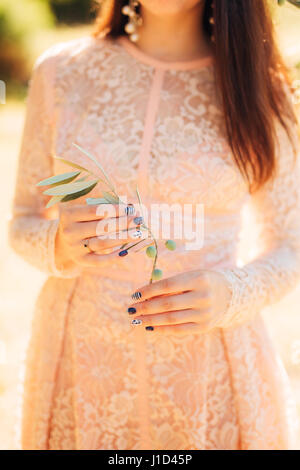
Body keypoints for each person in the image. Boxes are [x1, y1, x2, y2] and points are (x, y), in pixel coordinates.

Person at [9, 0, 300, 450]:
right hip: (82, 360)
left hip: (211, 370)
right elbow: (23, 221)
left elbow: (291, 245)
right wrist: (60, 247)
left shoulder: (262, 88)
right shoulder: (62, 72)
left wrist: (233, 292)